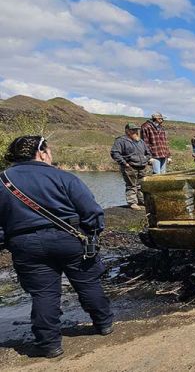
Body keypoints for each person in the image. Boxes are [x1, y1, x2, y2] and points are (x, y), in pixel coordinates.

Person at [0, 136, 113, 358]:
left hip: (25, 243)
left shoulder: (2, 181)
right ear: (41, 153)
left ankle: (49, 344)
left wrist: (9, 242)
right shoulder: (63, 176)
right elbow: (92, 211)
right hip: (69, 238)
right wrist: (92, 234)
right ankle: (104, 324)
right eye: (49, 151)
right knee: (88, 283)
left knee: (43, 294)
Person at [110, 123, 151, 210]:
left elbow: (148, 153)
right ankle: (132, 202)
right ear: (127, 131)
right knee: (131, 185)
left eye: (136, 130)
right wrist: (124, 163)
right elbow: (115, 153)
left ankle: (142, 201)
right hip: (130, 167)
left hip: (142, 166)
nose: (135, 132)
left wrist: (145, 160)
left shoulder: (141, 141)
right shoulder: (120, 141)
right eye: (133, 130)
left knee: (141, 185)